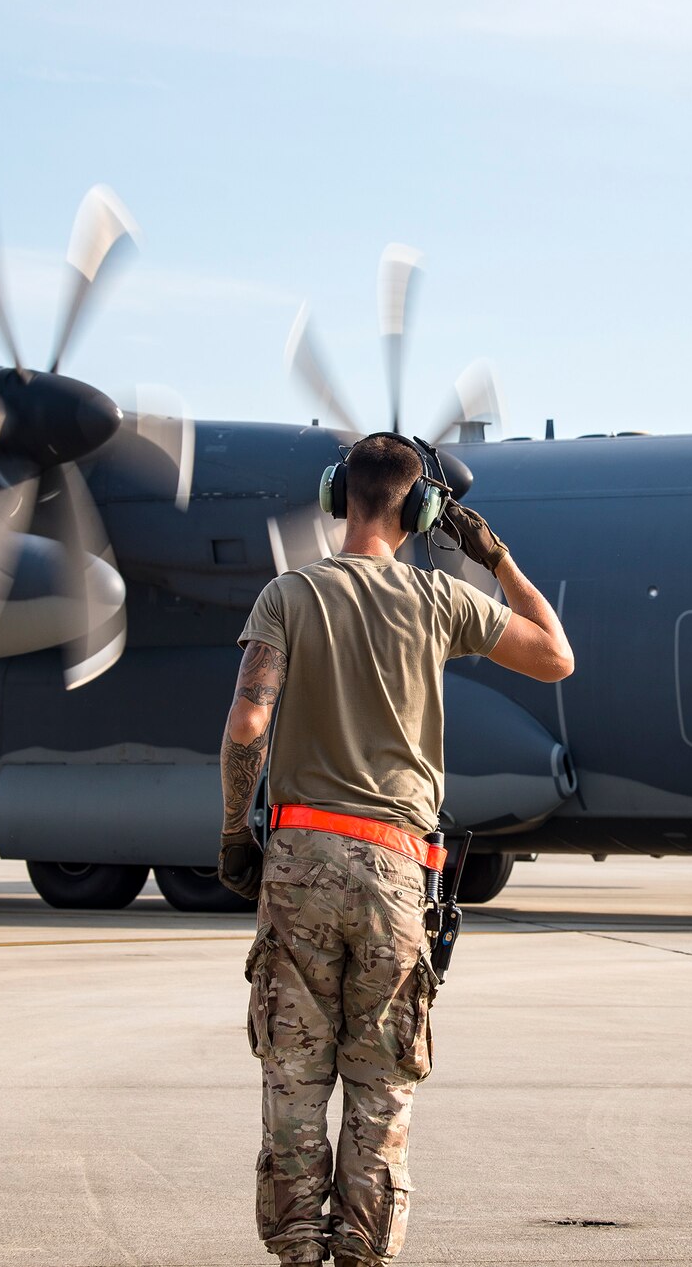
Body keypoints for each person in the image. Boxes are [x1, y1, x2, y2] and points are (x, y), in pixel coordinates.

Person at [217, 432, 574, 1267]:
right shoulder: (438, 601)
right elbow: (556, 655)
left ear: (338, 495)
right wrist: (495, 556)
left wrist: (238, 829)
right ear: (420, 511)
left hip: (300, 858)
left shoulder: (288, 595)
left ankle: (298, 1251)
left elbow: (247, 723)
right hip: (393, 867)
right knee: (381, 1091)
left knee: (294, 1081)